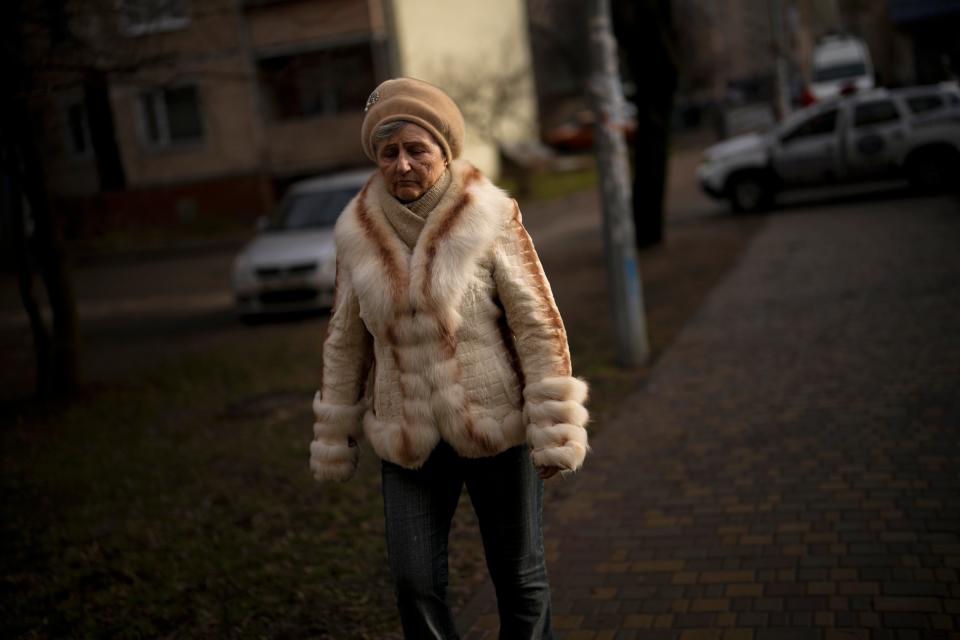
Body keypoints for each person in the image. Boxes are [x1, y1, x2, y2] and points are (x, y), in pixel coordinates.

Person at [309, 77, 589, 640]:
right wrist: (336, 430)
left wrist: (552, 423)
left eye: (418, 149)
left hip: (496, 426)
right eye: (389, 152)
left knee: (520, 578)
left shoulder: (489, 216)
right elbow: (344, 340)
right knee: (414, 583)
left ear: (444, 151)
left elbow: (536, 322)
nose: (403, 164)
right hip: (406, 434)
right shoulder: (356, 233)